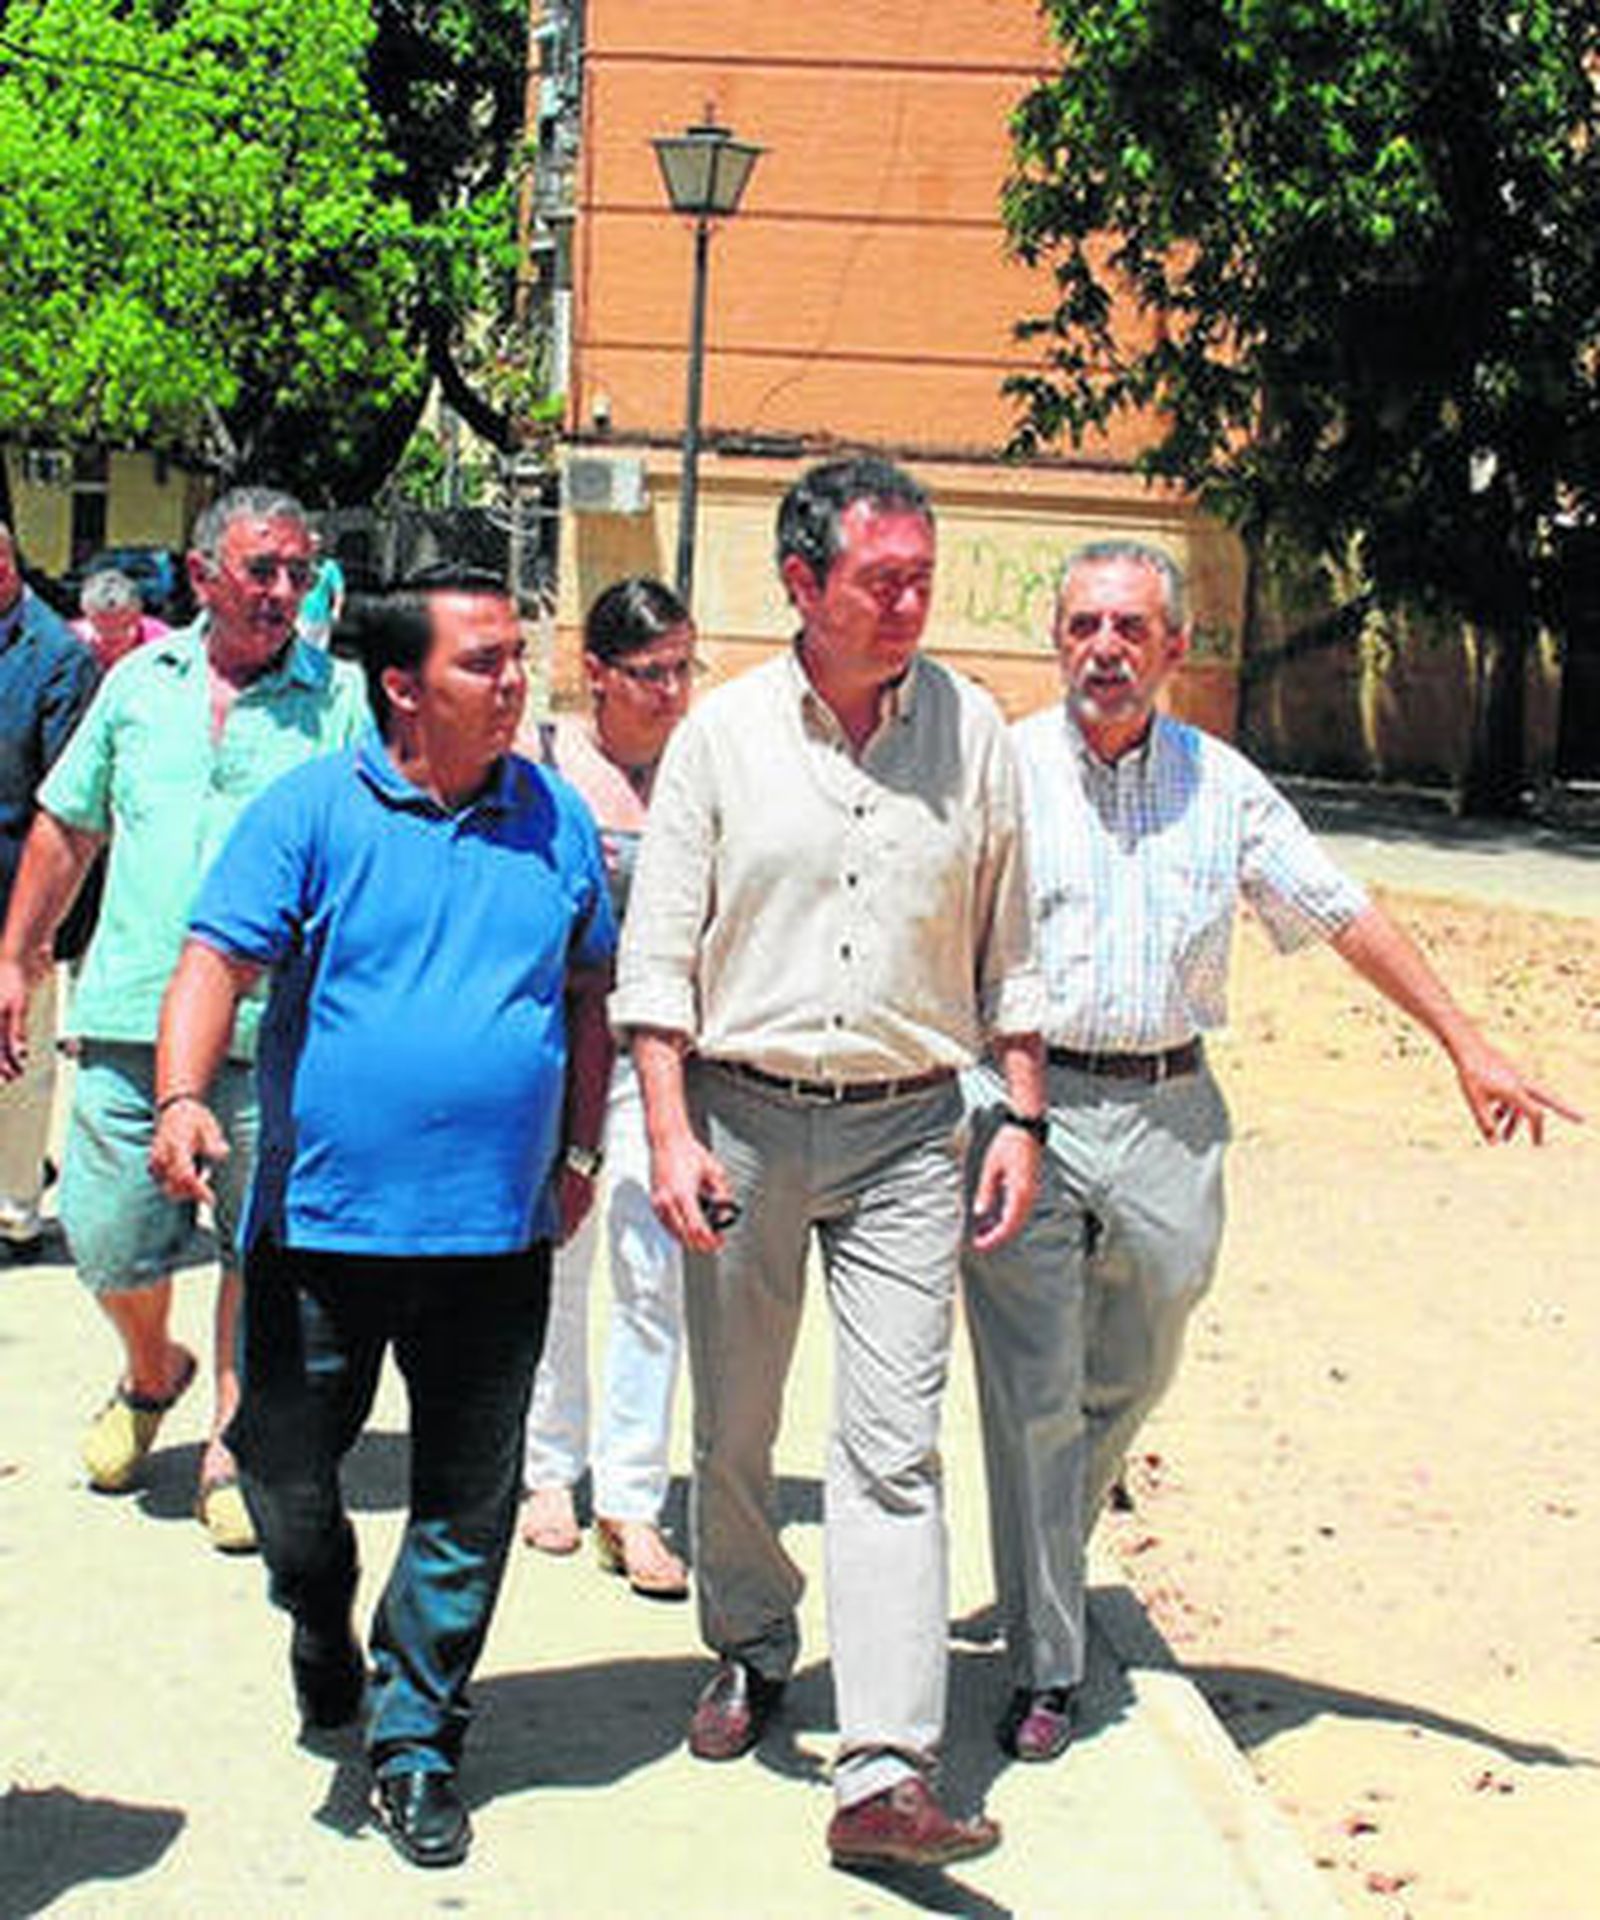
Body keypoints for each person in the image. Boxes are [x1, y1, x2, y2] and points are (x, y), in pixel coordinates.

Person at [961, 539, 1583, 1766]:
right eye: (1083, 624)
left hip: (1169, 1109)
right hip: (1019, 1108)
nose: (1104, 649)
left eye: (1130, 629)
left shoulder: (1222, 784)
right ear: (1055, 638)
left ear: (1174, 648)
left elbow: (1340, 908)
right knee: (1032, 1393)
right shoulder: (1002, 775)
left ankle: (1045, 1549)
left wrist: (1464, 1042)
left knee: (1138, 1358)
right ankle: (1046, 1662)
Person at [612, 455, 1046, 1871]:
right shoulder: (724, 738)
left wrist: (1022, 1116)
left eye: (923, 575)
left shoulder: (973, 733)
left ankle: (885, 1765)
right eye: (884, 580)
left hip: (914, 1129)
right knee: (735, 1425)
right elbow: (658, 959)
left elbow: (1012, 949)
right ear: (803, 585)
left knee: (891, 1448)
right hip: (737, 1120)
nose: (914, 602)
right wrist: (670, 1132)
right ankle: (749, 1642)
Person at [149, 575, 614, 1871]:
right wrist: (184, 1096)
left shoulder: (554, 819)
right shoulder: (308, 813)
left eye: (520, 658)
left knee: (466, 1502)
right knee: (285, 1472)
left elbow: (588, 991)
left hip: (494, 1238)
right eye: (486, 663)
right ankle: (318, 1611)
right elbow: (215, 961)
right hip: (323, 1232)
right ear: (403, 685)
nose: (516, 681)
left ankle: (416, 1739)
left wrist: (581, 1145)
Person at [0, 488, 367, 1554]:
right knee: (111, 1242)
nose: (284, 592)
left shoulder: (336, 699)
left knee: (258, 1245)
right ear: (204, 576)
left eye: (299, 572)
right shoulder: (135, 687)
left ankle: (230, 1442)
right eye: (262, 571)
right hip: (127, 1010)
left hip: (273, 1029)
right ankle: (153, 1369)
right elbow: (69, 828)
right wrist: (18, 956)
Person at [519, 575, 696, 1599]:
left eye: (683, 668)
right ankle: (550, 1470)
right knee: (556, 1258)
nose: (671, 691)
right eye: (649, 672)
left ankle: (633, 1496)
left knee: (650, 1263)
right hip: (554, 1049)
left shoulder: (702, 770)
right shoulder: (541, 765)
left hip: (660, 1058)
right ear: (595, 674)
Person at [0, 525, 99, 1249]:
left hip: (17, 888)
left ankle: (14, 1211)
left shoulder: (58, 657)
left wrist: (40, 929)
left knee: (16, 1057)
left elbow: (66, 801)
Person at [71, 568, 171, 671]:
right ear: (87, 614)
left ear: (137, 614)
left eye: (123, 626)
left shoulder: (161, 641)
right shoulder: (70, 641)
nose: (113, 637)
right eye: (103, 629)